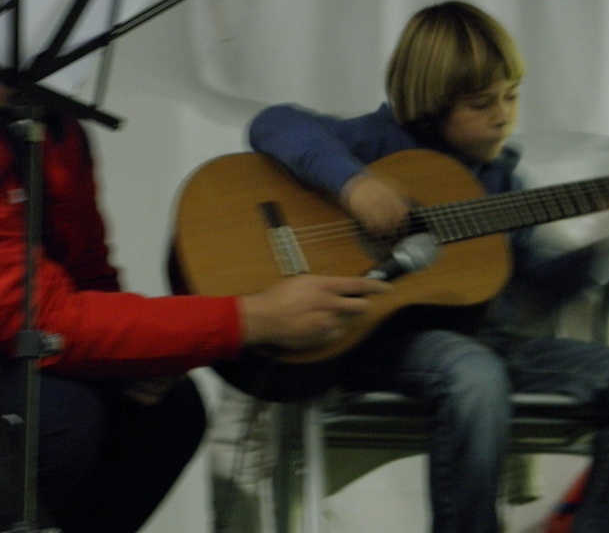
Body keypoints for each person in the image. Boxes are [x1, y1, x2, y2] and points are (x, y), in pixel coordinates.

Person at [247, 0, 609, 533]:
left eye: (512, 96)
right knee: (473, 373)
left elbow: (529, 287)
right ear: (431, 105)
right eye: (481, 103)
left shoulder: (501, 181)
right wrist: (353, 184)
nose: (504, 115)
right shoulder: (375, 144)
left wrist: (601, 249)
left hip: (484, 341)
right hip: (378, 340)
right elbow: (274, 123)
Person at [0, 83, 390, 533]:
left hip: (33, 347)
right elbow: (37, 317)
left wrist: (139, 357)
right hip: (20, 351)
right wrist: (253, 318)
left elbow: (89, 278)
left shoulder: (58, 129)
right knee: (60, 419)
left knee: (169, 414)